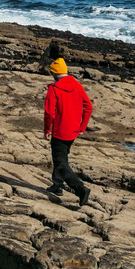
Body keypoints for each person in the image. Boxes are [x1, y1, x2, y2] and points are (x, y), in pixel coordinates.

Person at [43, 58, 93, 206]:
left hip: (60, 131)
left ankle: (80, 189)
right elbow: (88, 107)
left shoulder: (54, 88)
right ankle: (57, 186)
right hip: (73, 131)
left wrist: (46, 130)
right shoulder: (77, 85)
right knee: (61, 159)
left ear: (54, 73)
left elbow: (49, 113)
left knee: (60, 163)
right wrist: (82, 127)